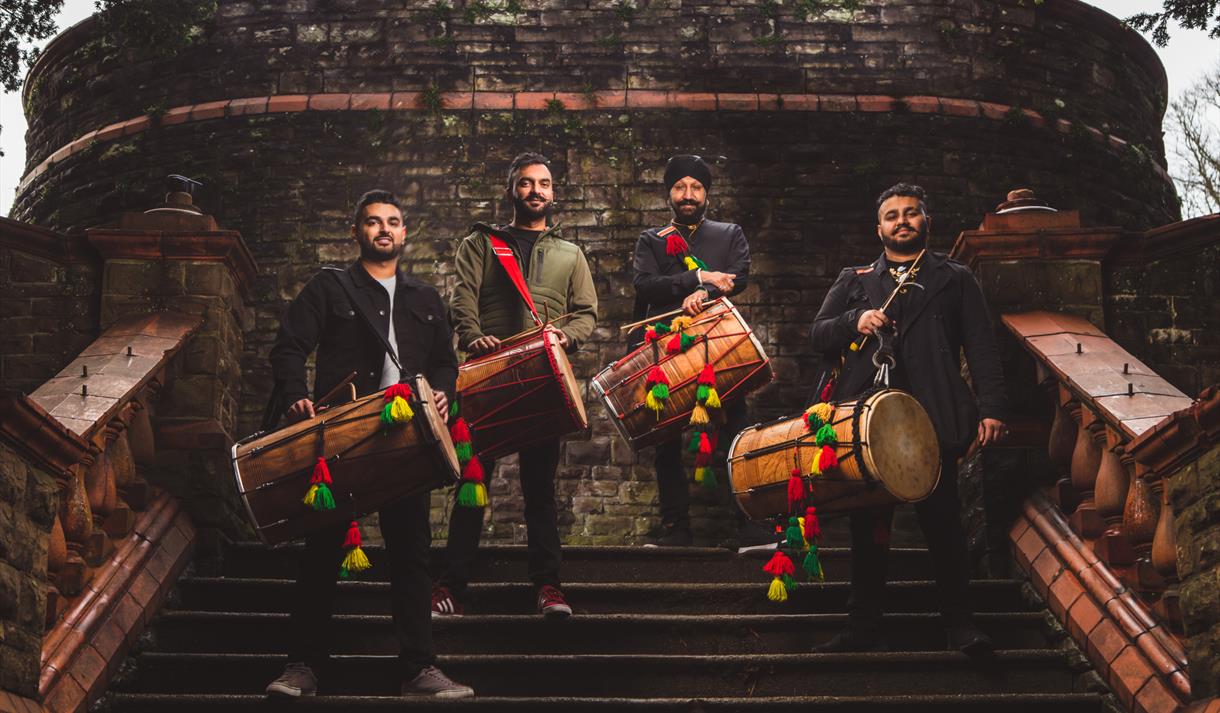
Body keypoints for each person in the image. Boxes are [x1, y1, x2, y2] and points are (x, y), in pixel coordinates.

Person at [263, 190, 473, 699]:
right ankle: (303, 667)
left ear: (406, 233)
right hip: (342, 436)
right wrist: (296, 397)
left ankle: (419, 669)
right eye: (373, 222)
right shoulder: (330, 288)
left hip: (408, 439)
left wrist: (445, 395)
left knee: (412, 553)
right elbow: (289, 347)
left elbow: (445, 362)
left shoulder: (426, 300)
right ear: (355, 231)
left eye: (393, 222)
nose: (384, 229)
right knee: (322, 551)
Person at [808, 182, 1008, 655]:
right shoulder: (854, 279)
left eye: (911, 213)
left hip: (933, 417)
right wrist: (853, 320)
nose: (902, 221)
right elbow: (818, 335)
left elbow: (981, 346)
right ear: (878, 228)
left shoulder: (954, 278)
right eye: (892, 215)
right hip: (867, 423)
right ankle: (862, 625)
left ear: (926, 222)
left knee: (942, 523)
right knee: (869, 527)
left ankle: (960, 626)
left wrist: (995, 408)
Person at [432, 152, 598, 619]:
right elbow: (461, 298)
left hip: (540, 382)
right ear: (512, 191)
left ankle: (548, 587)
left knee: (540, 489)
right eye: (526, 183)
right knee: (472, 483)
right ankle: (450, 586)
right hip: (487, 376)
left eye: (543, 183)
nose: (536, 191)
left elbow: (586, 312)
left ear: (553, 191)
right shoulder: (481, 244)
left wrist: (570, 335)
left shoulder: (571, 255)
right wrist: (471, 335)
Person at [630, 154, 766, 548]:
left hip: (718, 348)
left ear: (706, 193)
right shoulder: (650, 240)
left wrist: (703, 293)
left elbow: (737, 277)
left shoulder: (729, 233)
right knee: (666, 442)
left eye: (695, 187)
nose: (687, 194)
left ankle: (748, 526)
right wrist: (698, 277)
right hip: (666, 350)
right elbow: (645, 286)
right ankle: (678, 530)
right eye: (679, 187)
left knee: (735, 432)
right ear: (669, 193)